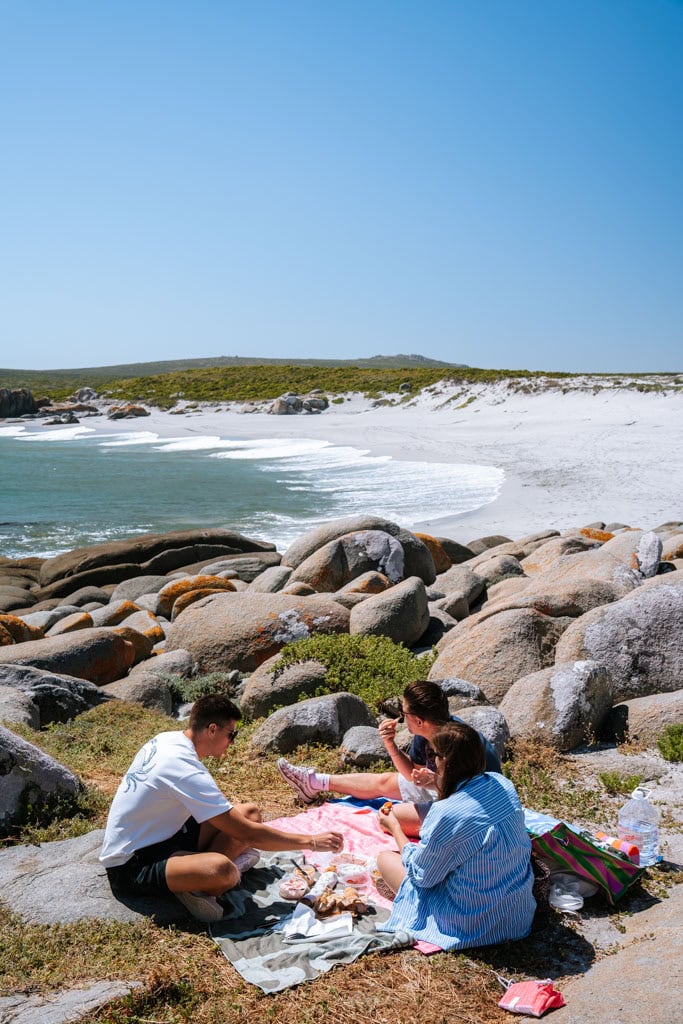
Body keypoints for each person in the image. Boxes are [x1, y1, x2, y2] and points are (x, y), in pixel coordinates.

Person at [100, 694, 344, 923]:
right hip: (133, 862)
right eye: (231, 734)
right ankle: (201, 883)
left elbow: (241, 823)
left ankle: (194, 879)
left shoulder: (169, 739)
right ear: (212, 730)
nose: (232, 742)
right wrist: (311, 841)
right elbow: (248, 835)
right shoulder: (183, 767)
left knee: (250, 814)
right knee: (224, 870)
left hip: (165, 834)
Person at [375, 720, 535, 950]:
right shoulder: (503, 784)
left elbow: (422, 876)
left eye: (434, 755)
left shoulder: (446, 813)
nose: (432, 761)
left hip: (470, 924)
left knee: (385, 859)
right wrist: (436, 782)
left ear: (445, 762)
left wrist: (395, 829)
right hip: (516, 915)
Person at [277, 680, 501, 837]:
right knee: (384, 781)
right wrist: (390, 745)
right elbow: (412, 775)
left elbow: (472, 794)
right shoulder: (426, 733)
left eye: (404, 714)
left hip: (472, 807)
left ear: (419, 720)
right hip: (444, 790)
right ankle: (314, 782)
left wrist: (434, 782)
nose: (401, 718)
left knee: (389, 818)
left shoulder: (460, 742)